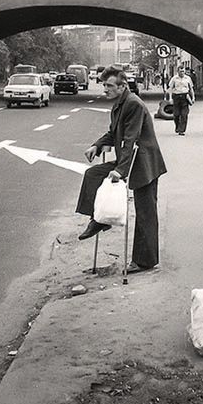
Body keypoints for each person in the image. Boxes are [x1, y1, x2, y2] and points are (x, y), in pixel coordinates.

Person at [76, 66, 168, 273]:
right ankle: (99, 220)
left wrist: (120, 171)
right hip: (131, 159)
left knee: (145, 212)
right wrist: (97, 145)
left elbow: (131, 138)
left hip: (143, 162)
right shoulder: (120, 103)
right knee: (93, 174)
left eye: (109, 85)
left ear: (122, 86)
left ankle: (145, 261)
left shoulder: (133, 104)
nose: (104, 89)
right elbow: (113, 132)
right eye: (104, 85)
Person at [166, 67, 196, 135]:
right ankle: (177, 126)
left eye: (183, 71)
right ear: (178, 72)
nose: (182, 73)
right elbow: (170, 88)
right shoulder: (174, 78)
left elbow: (191, 89)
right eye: (180, 71)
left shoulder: (188, 78)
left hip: (185, 97)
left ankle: (181, 130)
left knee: (184, 114)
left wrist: (193, 97)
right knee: (176, 114)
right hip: (176, 96)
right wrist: (170, 98)